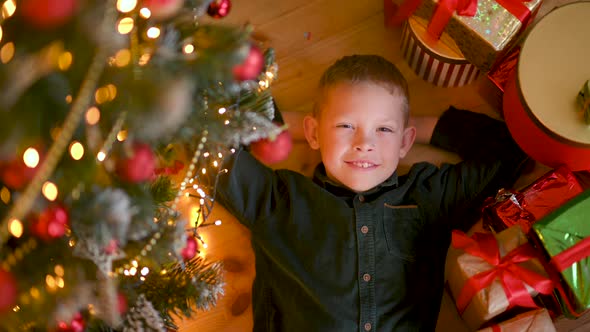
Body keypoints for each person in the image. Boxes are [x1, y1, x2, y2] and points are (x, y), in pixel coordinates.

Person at [214, 54, 529, 331]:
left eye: (384, 129)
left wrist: (412, 127)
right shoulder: (279, 201)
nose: (364, 143)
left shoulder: (427, 197)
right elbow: (210, 148)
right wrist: (286, 128)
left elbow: (509, 149)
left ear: (406, 142)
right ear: (314, 132)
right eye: (345, 126)